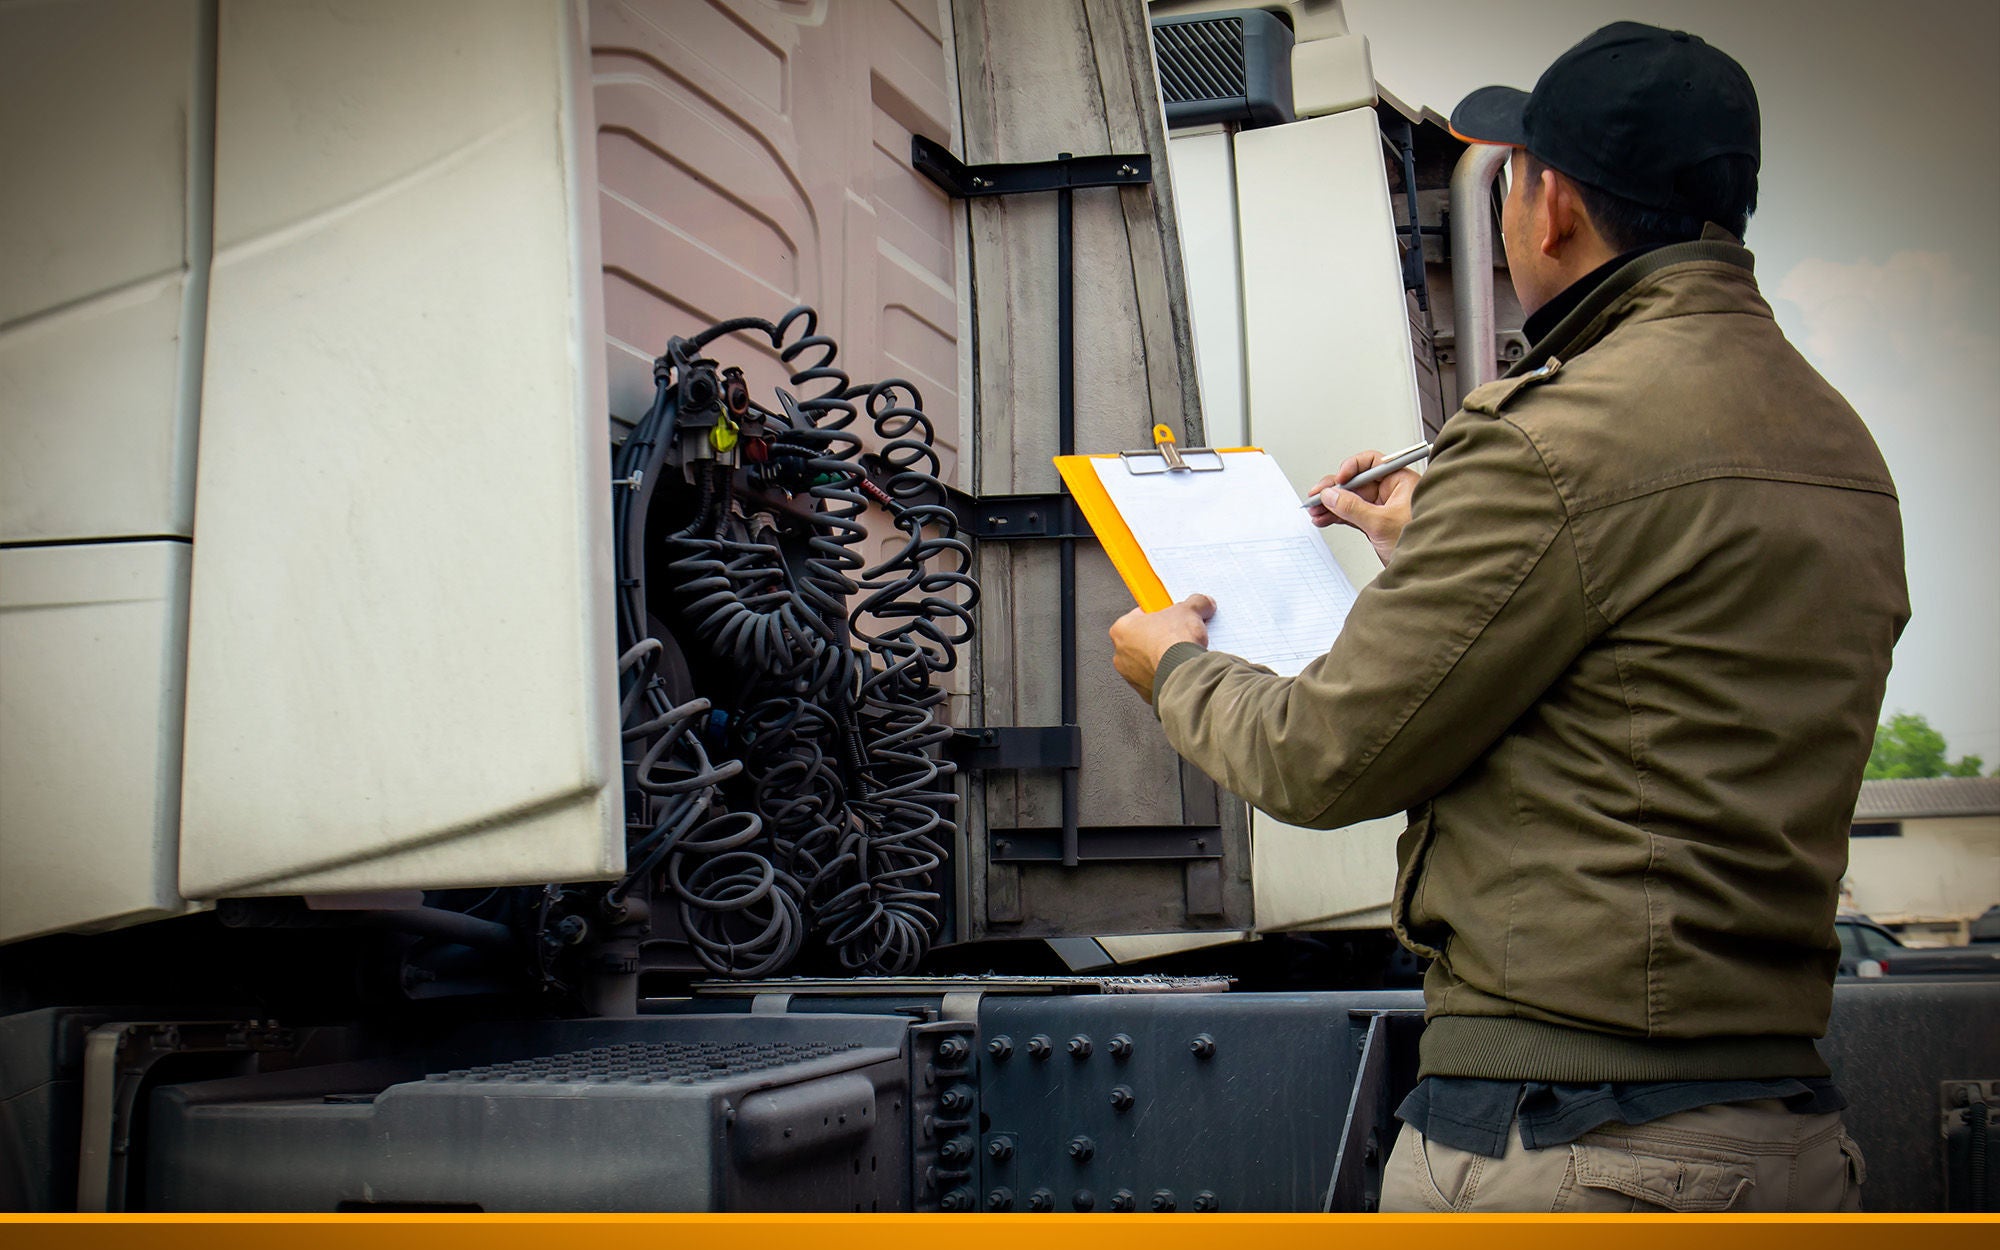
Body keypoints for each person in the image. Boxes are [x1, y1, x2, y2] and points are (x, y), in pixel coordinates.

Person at [1108, 22, 1907, 1212]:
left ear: (1550, 210)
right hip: (1778, 1135)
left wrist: (1172, 666)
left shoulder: (1549, 435)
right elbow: (1653, 663)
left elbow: (1320, 754)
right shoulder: (1836, 440)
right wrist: (1424, 537)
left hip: (1582, 1151)